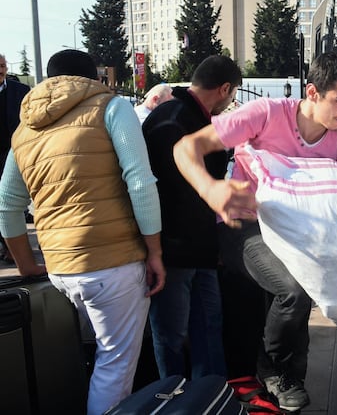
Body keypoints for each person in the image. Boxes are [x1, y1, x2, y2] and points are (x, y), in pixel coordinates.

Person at [173, 51, 337, 412]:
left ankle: (285, 380)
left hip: (296, 229)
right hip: (243, 224)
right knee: (293, 290)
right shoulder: (265, 114)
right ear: (311, 92)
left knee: (304, 296)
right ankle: (272, 369)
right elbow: (187, 147)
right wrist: (211, 190)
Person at [0, 49, 165, 415]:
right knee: (115, 365)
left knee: (87, 354)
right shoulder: (110, 107)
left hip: (60, 270)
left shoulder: (25, 128)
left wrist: (27, 265)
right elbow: (139, 181)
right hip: (114, 264)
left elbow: (7, 204)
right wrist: (154, 251)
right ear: (95, 78)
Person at [142, 55, 242, 380]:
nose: (229, 104)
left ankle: (210, 395)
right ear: (224, 89)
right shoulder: (180, 121)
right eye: (232, 96)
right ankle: (174, 398)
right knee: (172, 333)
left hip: (194, 249)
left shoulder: (170, 115)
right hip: (174, 250)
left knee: (207, 327)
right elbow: (174, 191)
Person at [0, 53, 30, 264]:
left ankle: (12, 249)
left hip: (13, 154)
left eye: (2, 65)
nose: (0, 69)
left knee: (11, 202)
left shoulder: (20, 91)